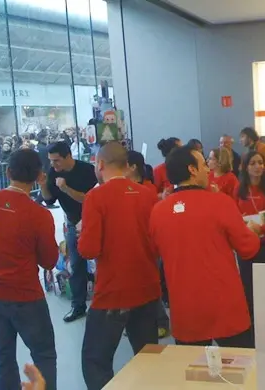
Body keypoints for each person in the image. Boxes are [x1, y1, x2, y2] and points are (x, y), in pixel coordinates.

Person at [149, 145, 260, 347]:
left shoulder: (158, 211)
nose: (208, 169)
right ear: (192, 170)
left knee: (193, 372)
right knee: (241, 370)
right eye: (203, 164)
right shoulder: (220, 203)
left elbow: (155, 252)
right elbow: (248, 248)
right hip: (224, 305)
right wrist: (253, 231)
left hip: (185, 308)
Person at [78, 142, 161, 390]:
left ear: (100, 164)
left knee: (96, 361)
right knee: (149, 358)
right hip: (147, 287)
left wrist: (81, 233)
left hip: (112, 292)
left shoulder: (96, 197)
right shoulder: (148, 195)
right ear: (127, 166)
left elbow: (88, 249)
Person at [0, 149, 58, 390]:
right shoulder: (39, 215)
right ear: (38, 176)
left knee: (1, 359)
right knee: (43, 355)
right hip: (26, 296)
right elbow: (49, 261)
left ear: (7, 171)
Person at [40, 141, 98, 323]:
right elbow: (49, 200)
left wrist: (65, 188)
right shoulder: (53, 173)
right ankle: (78, 305)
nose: (53, 165)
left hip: (95, 222)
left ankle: (111, 306)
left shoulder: (88, 170)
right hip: (73, 223)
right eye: (51, 161)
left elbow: (89, 200)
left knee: (106, 262)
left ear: (68, 156)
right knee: (76, 264)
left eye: (56, 160)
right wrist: (43, 185)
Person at [234, 150, 265, 330]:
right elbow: (233, 214)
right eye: (253, 163)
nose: (258, 167)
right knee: (248, 284)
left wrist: (261, 229)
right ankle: (250, 323)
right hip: (246, 244)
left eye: (260, 163)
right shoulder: (239, 188)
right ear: (245, 167)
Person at [126, 150, 169, 338]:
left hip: (148, 246)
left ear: (133, 167)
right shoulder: (126, 189)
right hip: (133, 245)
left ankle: (161, 321)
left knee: (152, 285)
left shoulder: (148, 189)